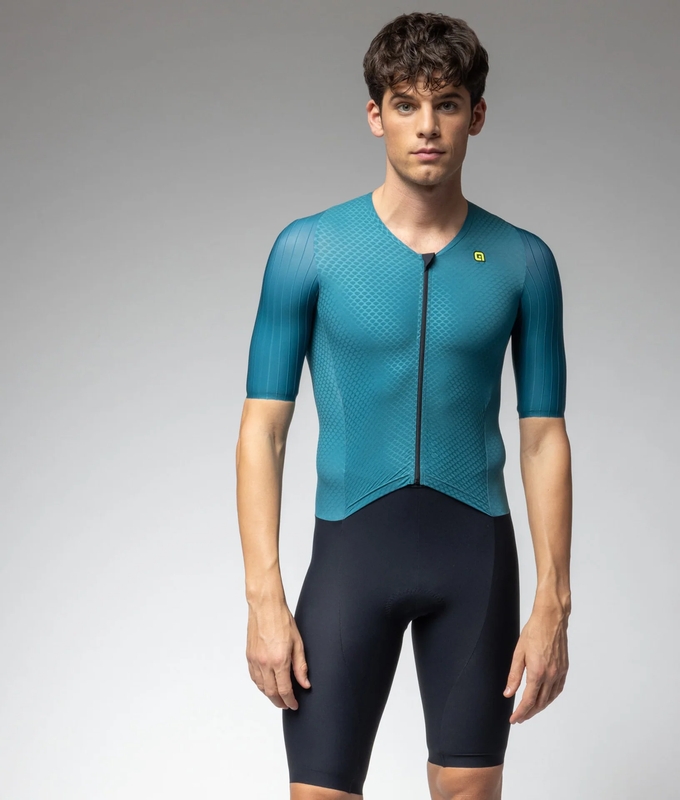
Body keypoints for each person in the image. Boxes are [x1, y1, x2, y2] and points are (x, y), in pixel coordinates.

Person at [235, 11, 572, 800]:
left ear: (475, 116)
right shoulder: (309, 250)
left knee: (469, 791)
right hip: (352, 557)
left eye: (447, 104)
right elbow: (263, 431)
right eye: (407, 103)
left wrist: (554, 603)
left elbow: (544, 438)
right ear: (375, 114)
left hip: (475, 562)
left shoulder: (523, 261)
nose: (427, 126)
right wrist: (263, 600)